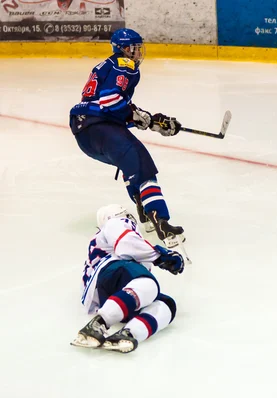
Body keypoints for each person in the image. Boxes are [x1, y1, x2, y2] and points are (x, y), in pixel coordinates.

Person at [69, 28, 184, 248]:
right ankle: (161, 220)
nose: (138, 53)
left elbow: (113, 109)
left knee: (128, 162)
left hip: (86, 133)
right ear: (121, 49)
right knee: (141, 161)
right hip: (99, 127)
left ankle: (144, 207)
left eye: (139, 48)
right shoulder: (126, 66)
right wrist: (143, 118)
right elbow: (110, 101)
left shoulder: (108, 64)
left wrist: (152, 121)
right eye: (134, 48)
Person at [71, 204, 184, 353]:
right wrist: (160, 256)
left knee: (166, 303)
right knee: (148, 284)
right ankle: (99, 323)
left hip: (112, 295)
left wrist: (161, 259)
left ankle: (129, 333)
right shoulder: (114, 223)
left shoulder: (102, 240)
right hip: (112, 271)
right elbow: (126, 243)